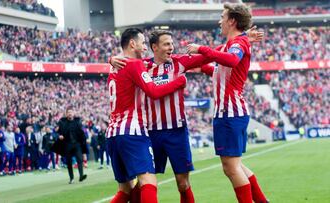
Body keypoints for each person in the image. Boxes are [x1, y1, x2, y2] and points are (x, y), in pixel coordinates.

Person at [110, 28, 263, 203]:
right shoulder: (143, 65)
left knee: (183, 183)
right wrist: (112, 59)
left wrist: (242, 40)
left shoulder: (179, 62)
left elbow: (210, 56)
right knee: (144, 182)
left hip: (177, 132)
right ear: (154, 47)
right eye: (167, 44)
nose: (171, 47)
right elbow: (125, 63)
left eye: (172, 44)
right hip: (151, 133)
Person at [187, 3, 268, 203]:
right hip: (228, 113)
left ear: (232, 20)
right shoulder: (232, 44)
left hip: (231, 113)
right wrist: (195, 67)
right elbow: (218, 68)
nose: (219, 21)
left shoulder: (238, 44)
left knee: (231, 167)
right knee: (235, 166)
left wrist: (201, 48)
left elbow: (231, 60)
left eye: (222, 16)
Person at [106, 28, 187, 203]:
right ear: (132, 43)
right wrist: (179, 82)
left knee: (125, 189)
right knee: (148, 181)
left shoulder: (113, 66)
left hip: (112, 134)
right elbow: (154, 92)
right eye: (143, 43)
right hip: (132, 131)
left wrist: (110, 58)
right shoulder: (134, 64)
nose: (145, 47)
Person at [53, 107, 87, 184]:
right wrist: (59, 135)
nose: (70, 113)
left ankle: (81, 176)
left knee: (79, 159)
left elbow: (81, 133)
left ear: (73, 113)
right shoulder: (62, 122)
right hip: (67, 144)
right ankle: (71, 178)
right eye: (68, 112)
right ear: (66, 114)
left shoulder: (77, 121)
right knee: (69, 162)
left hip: (77, 144)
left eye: (71, 112)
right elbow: (55, 131)